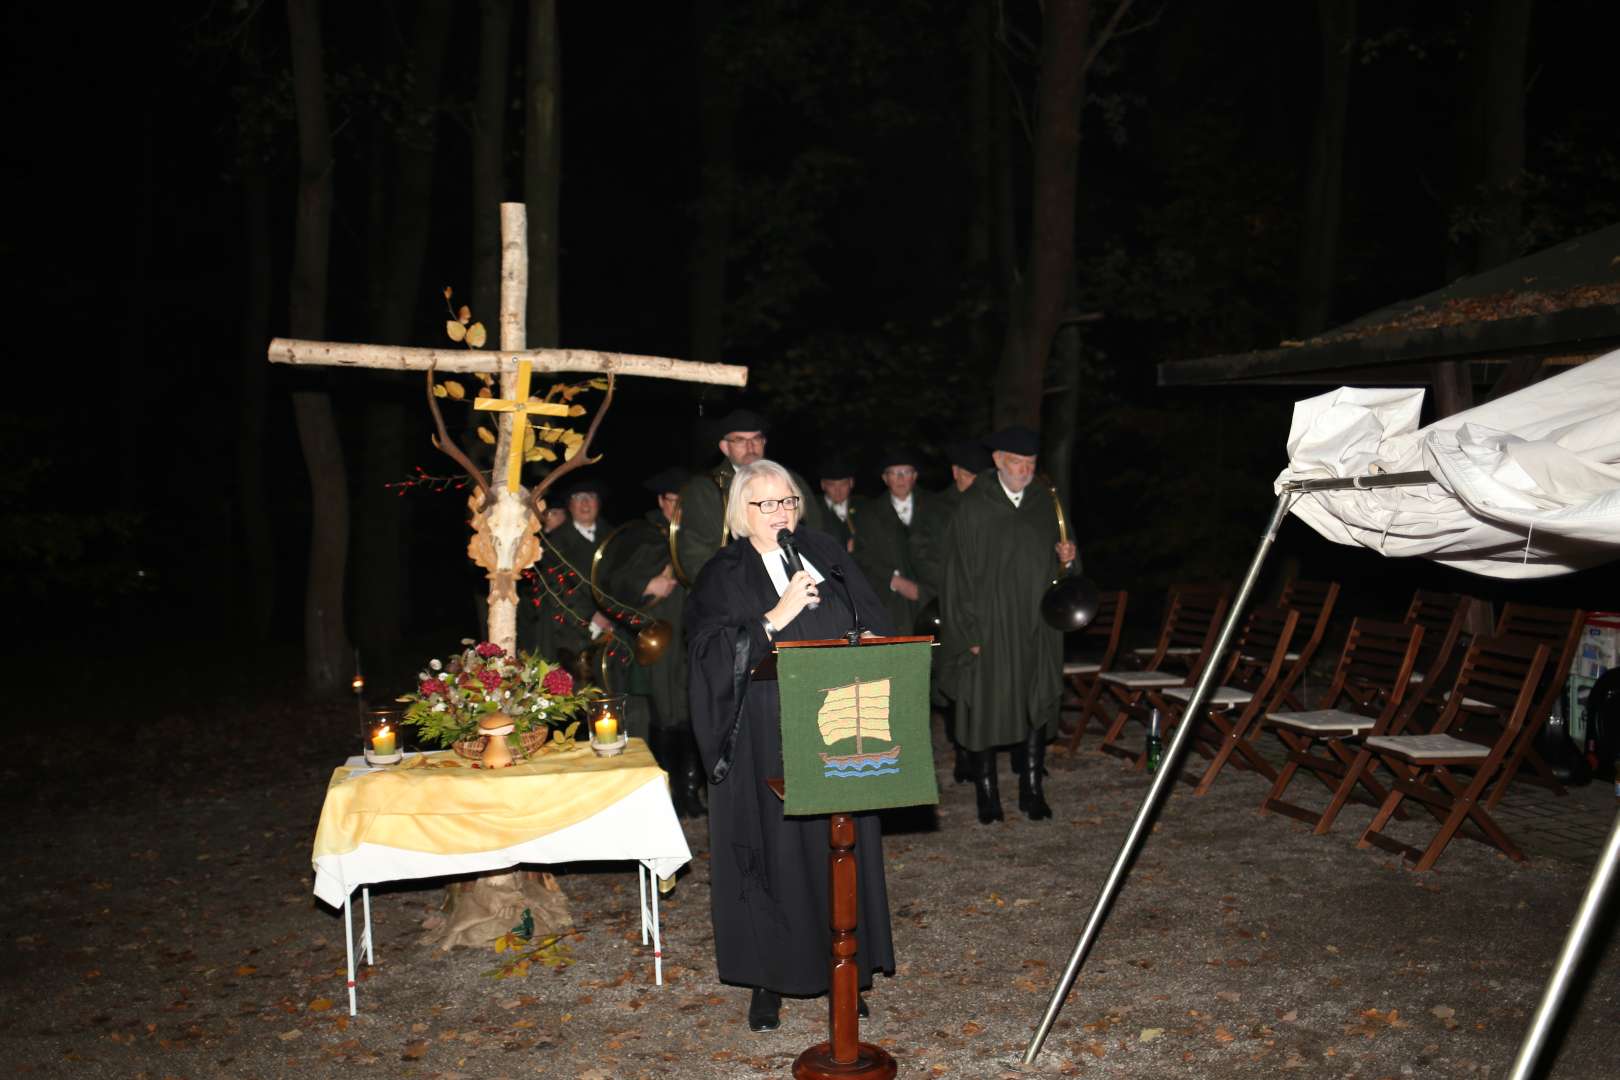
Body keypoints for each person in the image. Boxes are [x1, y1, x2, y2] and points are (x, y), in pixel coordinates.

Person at [685, 459, 895, 1032]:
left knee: (836, 846)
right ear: (740, 513)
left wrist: (872, 639)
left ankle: (843, 969)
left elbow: (869, 613)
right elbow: (705, 654)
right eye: (766, 504)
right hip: (763, 730)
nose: (780, 514)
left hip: (833, 720)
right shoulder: (724, 572)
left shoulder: (825, 553)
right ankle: (767, 979)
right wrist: (774, 617)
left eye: (788, 503)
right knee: (772, 851)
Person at [940, 427, 1078, 824]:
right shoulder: (974, 507)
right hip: (990, 627)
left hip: (1038, 625)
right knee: (985, 706)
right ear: (999, 461)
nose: (1024, 471)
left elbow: (1067, 569)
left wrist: (1069, 557)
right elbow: (955, 577)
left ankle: (1032, 790)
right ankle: (988, 794)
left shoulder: (1046, 502)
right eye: (1017, 463)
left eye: (1031, 464)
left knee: (1035, 701)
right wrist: (968, 633)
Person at [599, 467, 706, 818]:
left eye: (684, 502)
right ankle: (667, 790)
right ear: (661, 501)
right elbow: (615, 579)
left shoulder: (699, 534)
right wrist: (648, 585)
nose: (679, 509)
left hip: (692, 632)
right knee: (665, 708)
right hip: (657, 635)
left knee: (692, 707)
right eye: (673, 501)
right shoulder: (642, 535)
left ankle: (691, 791)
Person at [674, 409, 823, 585]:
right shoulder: (706, 489)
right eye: (740, 440)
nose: (750, 447)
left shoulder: (790, 481)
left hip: (795, 583)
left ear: (764, 442)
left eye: (756, 439)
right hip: (735, 591)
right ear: (724, 447)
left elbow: (817, 534)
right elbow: (696, 556)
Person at [932, 437, 993, 783]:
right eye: (970, 475)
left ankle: (982, 748)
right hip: (948, 602)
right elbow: (930, 552)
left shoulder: (987, 504)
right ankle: (961, 751)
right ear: (956, 473)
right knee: (954, 680)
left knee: (982, 681)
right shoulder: (941, 506)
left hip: (981, 602)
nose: (975, 482)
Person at [525, 478, 617, 675]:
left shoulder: (614, 537)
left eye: (591, 497)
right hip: (571, 634)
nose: (585, 503)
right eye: (578, 498)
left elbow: (622, 580)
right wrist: (593, 617)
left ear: (598, 503)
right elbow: (556, 589)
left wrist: (611, 614)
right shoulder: (554, 544)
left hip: (613, 630)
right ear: (570, 505)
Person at [852, 447, 944, 640]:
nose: (901, 478)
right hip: (890, 604)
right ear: (885, 479)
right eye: (894, 473)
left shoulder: (938, 508)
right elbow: (861, 558)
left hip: (933, 602)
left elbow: (947, 554)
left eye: (906, 472)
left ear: (915, 476)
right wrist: (893, 580)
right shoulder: (869, 515)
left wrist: (926, 590)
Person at [818, 457, 857, 553]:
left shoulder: (865, 506)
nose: (838, 490)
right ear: (823, 485)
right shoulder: (813, 509)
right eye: (831, 485)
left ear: (851, 483)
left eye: (843, 484)